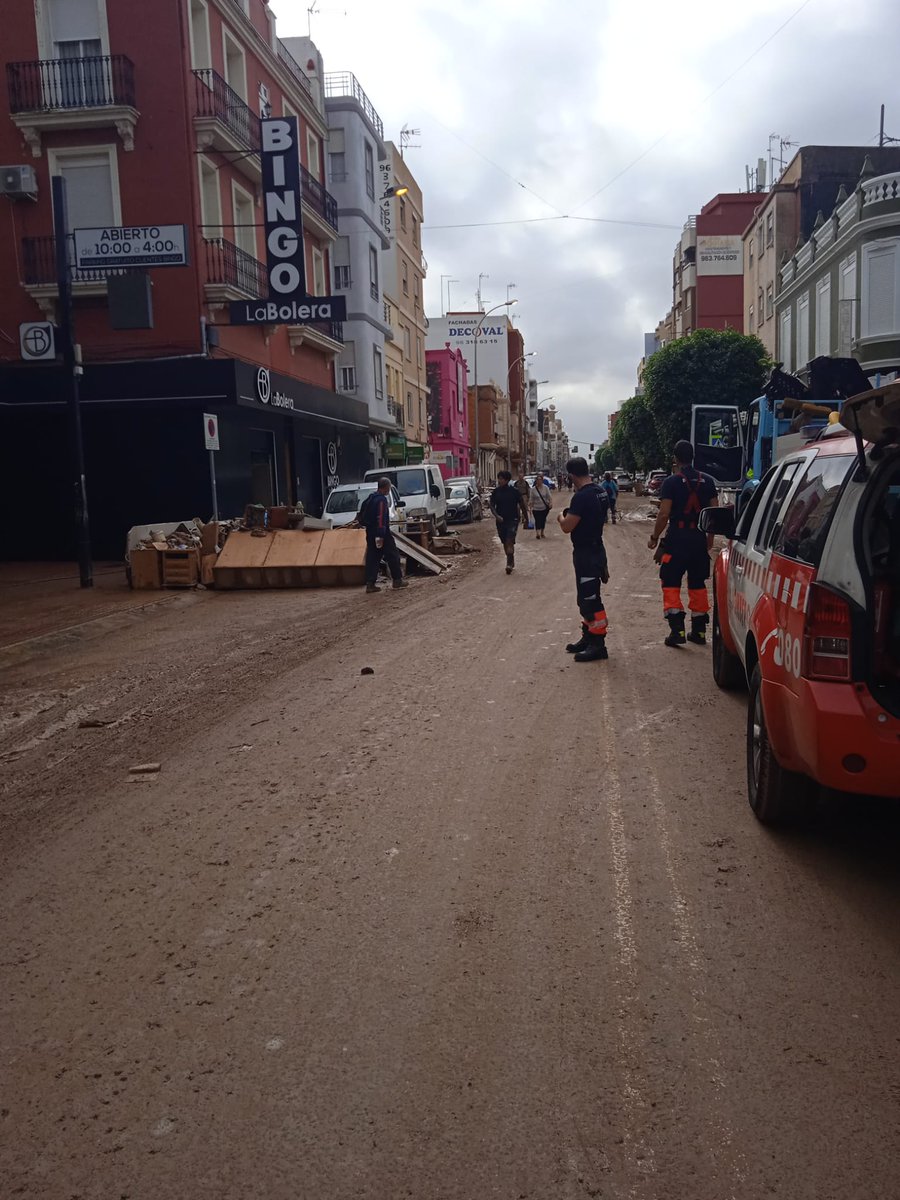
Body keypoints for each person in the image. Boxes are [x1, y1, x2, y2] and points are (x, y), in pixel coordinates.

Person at [647, 440, 718, 647]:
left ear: (675, 458)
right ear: (693, 457)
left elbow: (664, 514)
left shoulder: (671, 482)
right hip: (698, 539)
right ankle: (699, 632)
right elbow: (714, 513)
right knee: (697, 584)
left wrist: (654, 538)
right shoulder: (708, 481)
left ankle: (677, 630)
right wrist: (709, 539)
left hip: (677, 539)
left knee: (670, 582)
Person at [557, 456, 610, 662]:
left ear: (571, 476)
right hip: (596, 549)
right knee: (585, 596)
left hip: (586, 554)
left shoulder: (581, 497)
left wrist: (561, 516)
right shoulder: (600, 492)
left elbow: (567, 526)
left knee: (590, 599)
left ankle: (598, 644)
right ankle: (588, 637)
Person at [362, 478, 408, 594]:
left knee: (372, 558)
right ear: (386, 487)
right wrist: (381, 535)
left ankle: (370, 583)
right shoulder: (381, 500)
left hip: (370, 532)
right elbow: (381, 518)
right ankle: (397, 580)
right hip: (381, 533)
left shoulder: (370, 498)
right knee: (393, 555)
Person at [490, 469, 530, 574]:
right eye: (499, 478)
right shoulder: (496, 492)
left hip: (513, 520)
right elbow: (492, 506)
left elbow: (522, 505)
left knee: (509, 540)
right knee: (504, 541)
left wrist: (526, 519)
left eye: (501, 479)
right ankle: (511, 559)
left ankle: (508, 564)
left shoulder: (514, 492)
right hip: (500, 521)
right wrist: (496, 516)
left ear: (507, 480)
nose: (499, 480)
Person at [530, 472, 553, 538]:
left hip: (544, 508)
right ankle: (538, 533)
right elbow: (531, 499)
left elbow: (549, 497)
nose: (539, 481)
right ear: (536, 481)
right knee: (537, 520)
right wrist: (530, 505)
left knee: (542, 520)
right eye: (537, 480)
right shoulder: (533, 489)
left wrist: (550, 503)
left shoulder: (546, 488)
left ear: (542, 480)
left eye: (540, 480)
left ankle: (542, 532)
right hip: (536, 508)